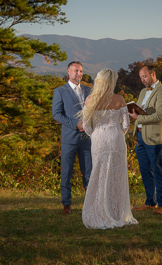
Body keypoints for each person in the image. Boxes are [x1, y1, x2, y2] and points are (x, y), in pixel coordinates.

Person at [79, 68, 138, 229]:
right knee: (117, 175)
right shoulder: (119, 99)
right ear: (112, 82)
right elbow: (125, 125)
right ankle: (118, 212)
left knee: (99, 173)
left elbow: (85, 126)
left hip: (99, 139)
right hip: (116, 139)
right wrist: (119, 134)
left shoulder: (90, 99)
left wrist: (95, 135)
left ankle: (99, 210)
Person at [128, 65, 162, 215]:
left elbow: (158, 116)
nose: (142, 80)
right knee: (145, 171)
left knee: (158, 170)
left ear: (153, 74)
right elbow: (141, 110)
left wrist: (138, 117)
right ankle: (150, 202)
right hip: (140, 136)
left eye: (145, 76)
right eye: (141, 77)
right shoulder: (142, 91)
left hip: (155, 138)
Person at [52, 61, 92, 215]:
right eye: (76, 71)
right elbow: (56, 114)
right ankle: (66, 204)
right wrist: (76, 124)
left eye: (81, 71)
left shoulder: (89, 91)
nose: (79, 74)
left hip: (87, 138)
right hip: (69, 137)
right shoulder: (60, 91)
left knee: (89, 172)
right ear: (68, 72)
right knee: (67, 172)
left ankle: (90, 204)